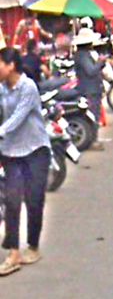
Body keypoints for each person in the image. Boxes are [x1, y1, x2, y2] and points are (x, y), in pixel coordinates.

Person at [0, 48, 51, 276]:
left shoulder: (28, 87)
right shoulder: (1, 89)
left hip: (35, 151)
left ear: (11, 65)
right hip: (11, 152)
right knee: (11, 201)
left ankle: (33, 245)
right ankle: (13, 253)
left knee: (34, 200)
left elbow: (17, 118)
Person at [73, 27, 106, 150]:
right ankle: (93, 141)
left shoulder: (83, 54)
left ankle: (93, 139)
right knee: (93, 115)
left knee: (95, 115)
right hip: (89, 90)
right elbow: (91, 71)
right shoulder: (82, 56)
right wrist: (100, 62)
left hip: (91, 88)